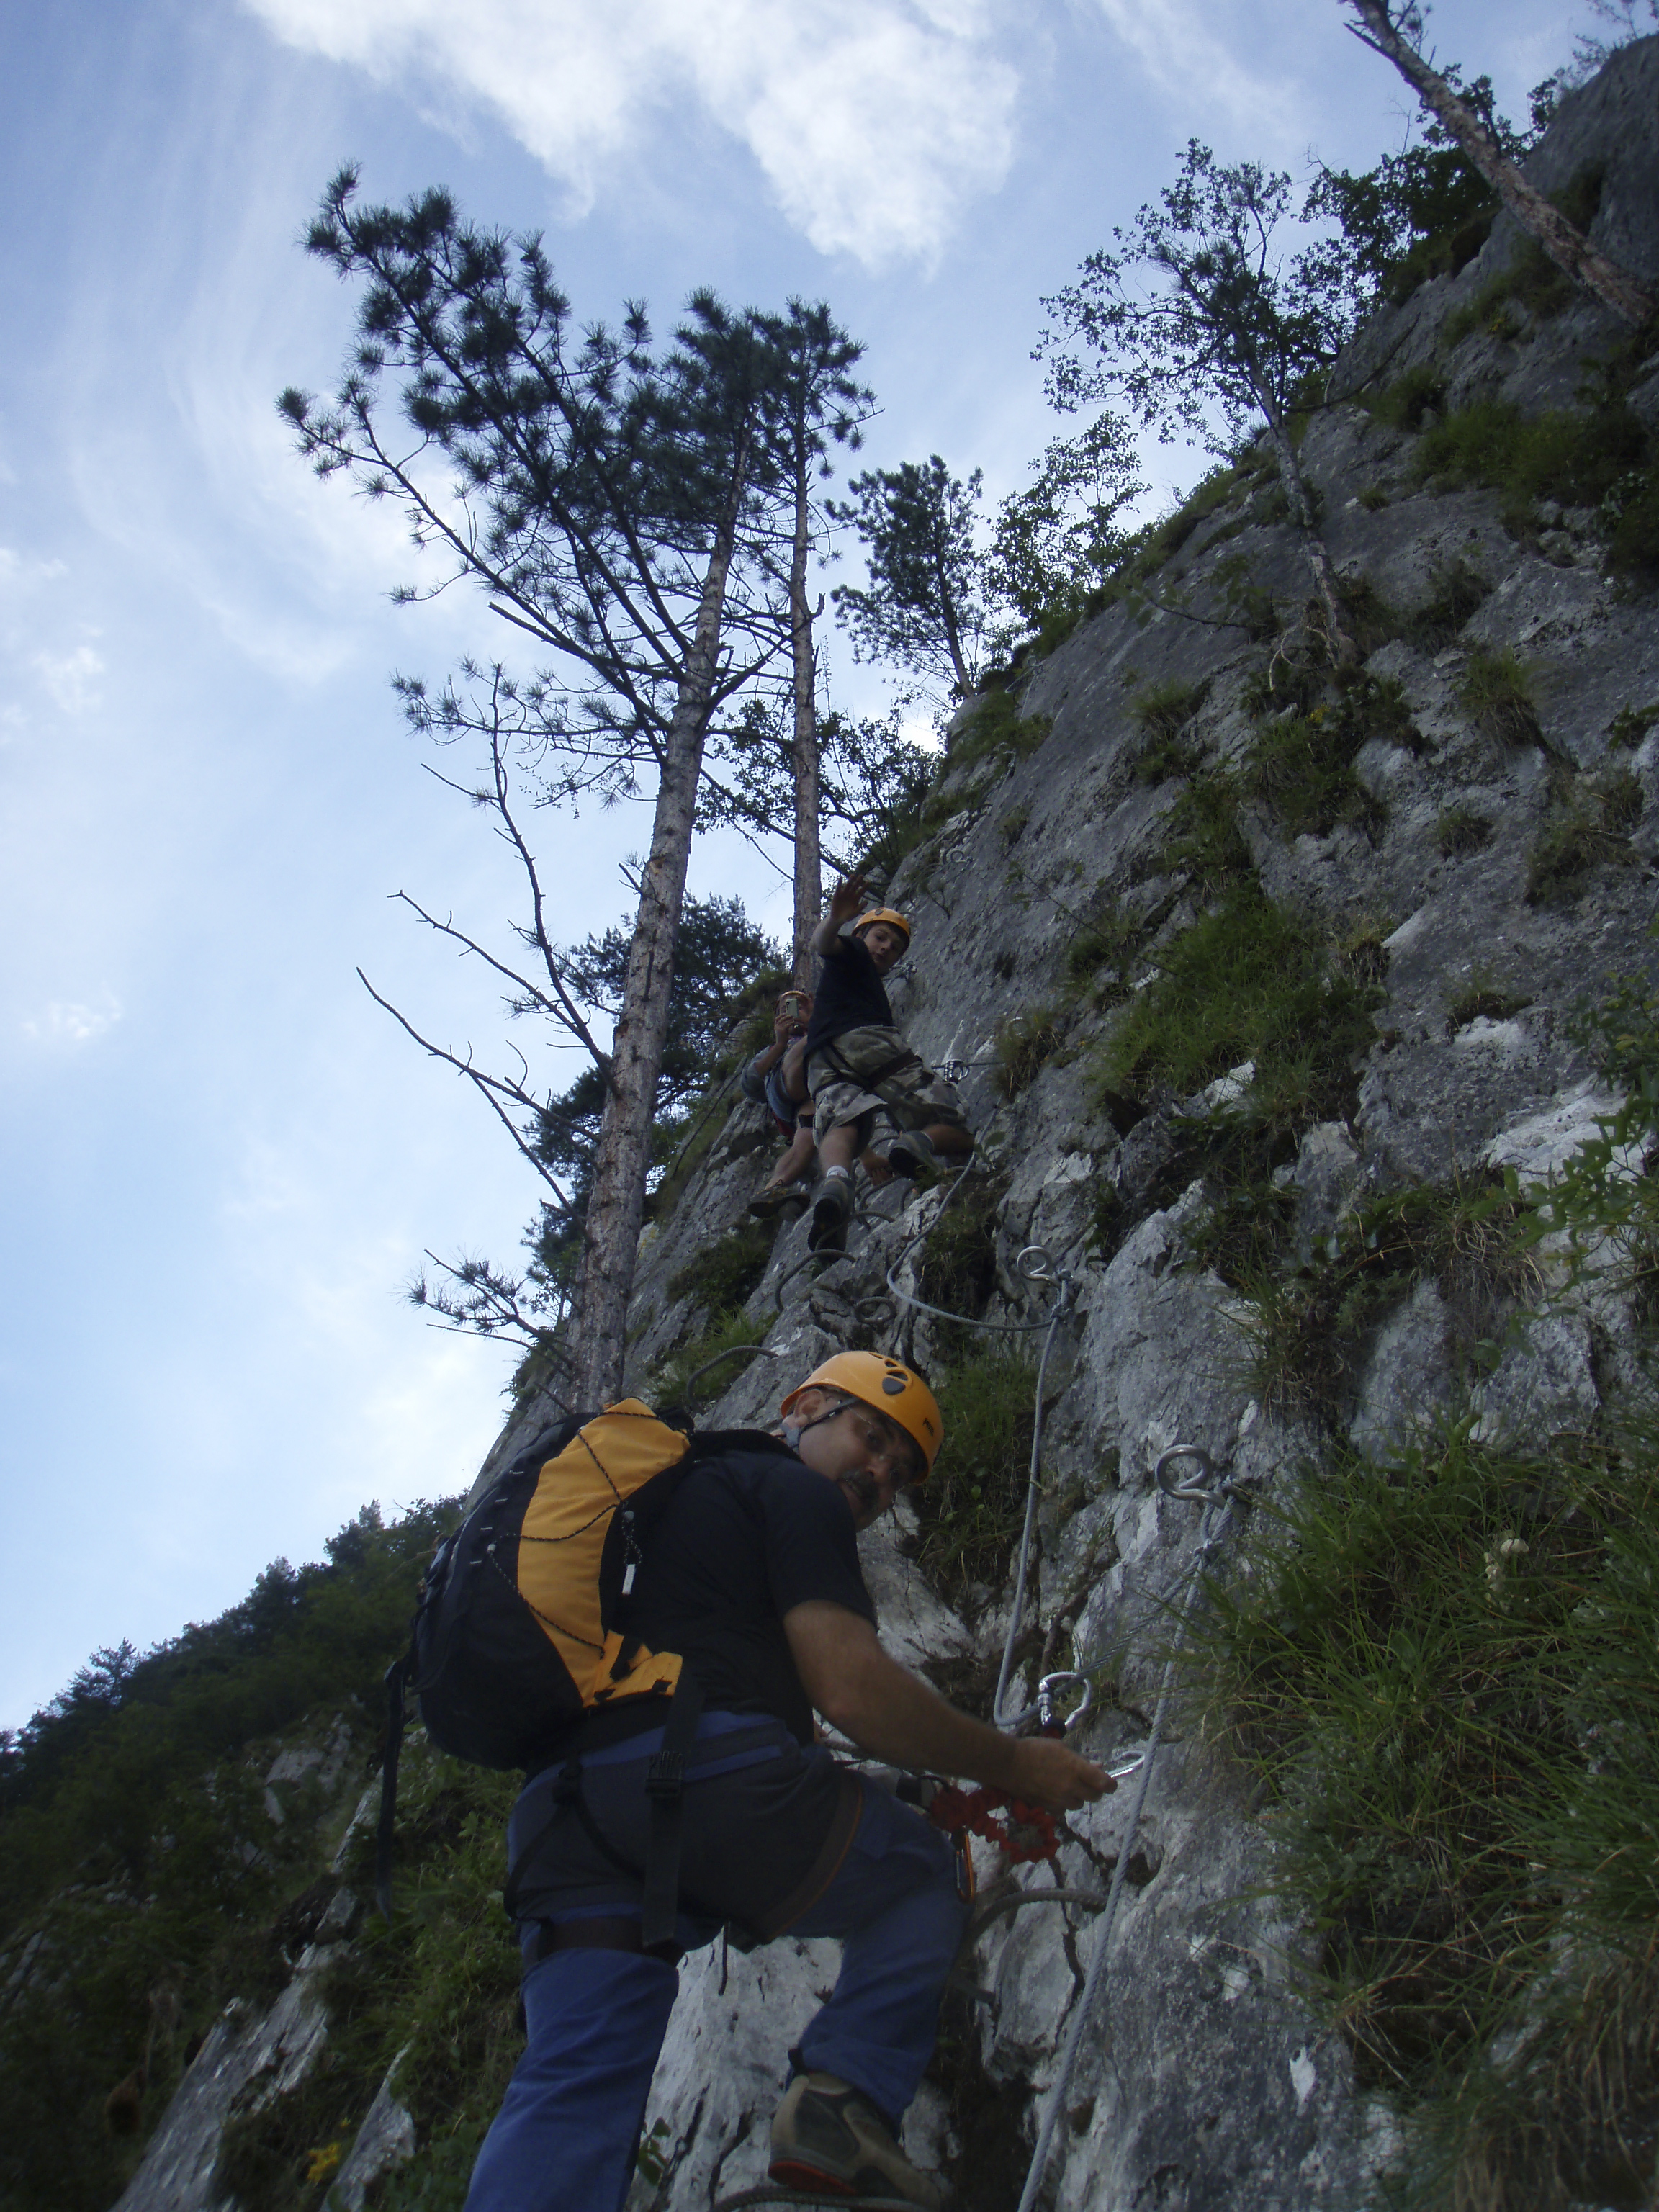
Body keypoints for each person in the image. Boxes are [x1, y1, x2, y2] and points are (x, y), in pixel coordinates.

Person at [462, 1352, 1110, 2212]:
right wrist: (1014, 1763)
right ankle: (841, 2107)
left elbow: (787, 1744)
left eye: (898, 1475)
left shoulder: (679, 1507)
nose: (877, 1474)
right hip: (692, 1781)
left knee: (572, 2091)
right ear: (801, 1406)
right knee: (917, 1874)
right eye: (868, 1435)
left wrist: (914, 1789)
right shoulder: (793, 1494)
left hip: (566, 1821)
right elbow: (848, 1687)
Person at [801, 876, 974, 1257]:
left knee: (842, 1121)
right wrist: (835, 917)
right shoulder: (853, 954)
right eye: (880, 937)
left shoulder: (851, 974)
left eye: (895, 948)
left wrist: (867, 1157)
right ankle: (921, 1142)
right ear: (861, 934)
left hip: (822, 1059)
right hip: (867, 1040)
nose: (886, 949)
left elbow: (857, 1107)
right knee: (953, 1116)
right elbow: (823, 944)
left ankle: (836, 1182)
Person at [741, 992, 817, 1215]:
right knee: (813, 1043)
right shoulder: (773, 1049)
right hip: (785, 1087)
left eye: (799, 1005)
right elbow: (749, 1085)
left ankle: (773, 1188)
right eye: (785, 1009)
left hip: (809, 1101)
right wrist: (780, 1044)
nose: (792, 1011)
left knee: (805, 1137)